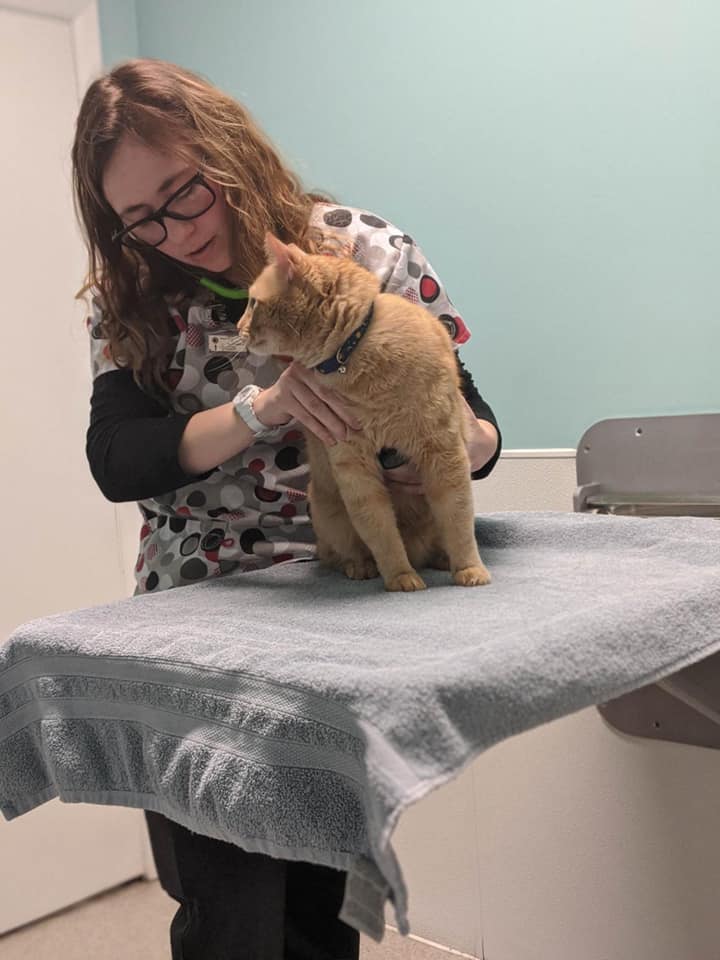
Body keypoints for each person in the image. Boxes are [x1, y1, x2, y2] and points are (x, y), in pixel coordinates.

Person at [71, 58, 502, 960]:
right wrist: (259, 409)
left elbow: (479, 428)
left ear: (228, 151)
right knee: (223, 900)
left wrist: (438, 448)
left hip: (340, 605)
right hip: (200, 611)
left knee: (318, 897)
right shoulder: (131, 296)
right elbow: (117, 461)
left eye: (183, 193)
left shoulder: (364, 251)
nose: (175, 232)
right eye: (140, 218)